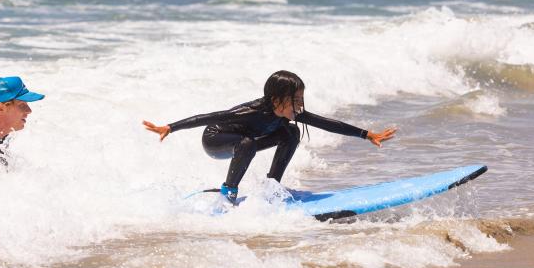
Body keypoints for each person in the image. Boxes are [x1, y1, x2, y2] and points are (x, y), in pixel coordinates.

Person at [141, 71, 397, 202]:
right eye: (295, 100)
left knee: (291, 132)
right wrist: (170, 127)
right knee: (247, 142)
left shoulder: (288, 114)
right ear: (277, 99)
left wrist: (367, 135)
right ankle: (228, 192)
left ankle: (271, 187)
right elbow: (209, 117)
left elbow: (326, 123)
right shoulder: (250, 112)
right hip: (216, 139)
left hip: (246, 143)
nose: (299, 105)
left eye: (300, 99)